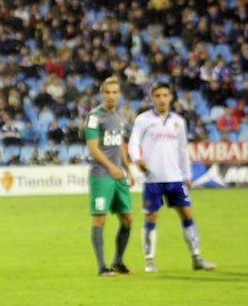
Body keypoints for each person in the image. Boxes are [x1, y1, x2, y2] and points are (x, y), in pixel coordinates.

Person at [128, 83, 216, 272]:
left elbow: (183, 150)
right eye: (158, 95)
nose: (161, 99)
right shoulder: (143, 120)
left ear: (171, 97)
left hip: (175, 178)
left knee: (187, 215)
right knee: (151, 217)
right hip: (153, 179)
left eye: (165, 95)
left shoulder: (179, 121)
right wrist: (137, 159)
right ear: (152, 98)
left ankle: (197, 257)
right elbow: (133, 143)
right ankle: (150, 261)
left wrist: (188, 175)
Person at [85, 76, 135, 277]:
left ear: (120, 94)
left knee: (128, 218)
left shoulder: (119, 116)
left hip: (117, 175)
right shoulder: (94, 116)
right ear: (101, 93)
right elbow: (93, 148)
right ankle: (102, 267)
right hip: (101, 175)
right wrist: (111, 167)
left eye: (115, 92)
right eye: (107, 92)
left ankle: (118, 262)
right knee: (100, 219)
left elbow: (119, 145)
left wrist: (128, 169)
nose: (111, 96)